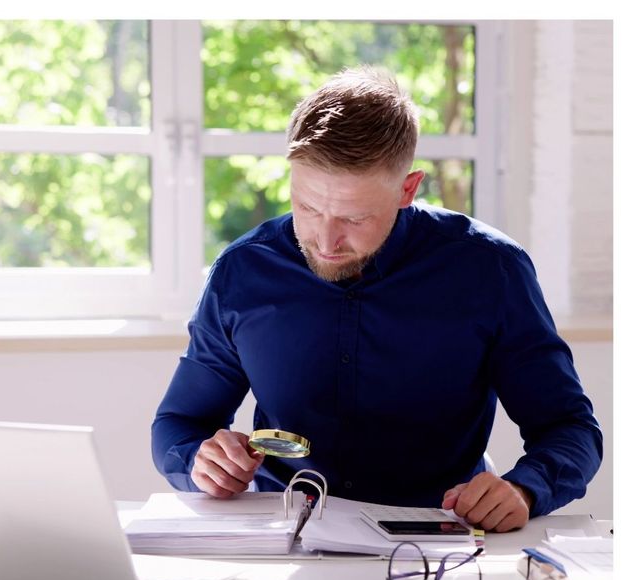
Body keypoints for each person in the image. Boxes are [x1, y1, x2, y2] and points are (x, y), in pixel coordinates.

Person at [151, 66, 602, 532]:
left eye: (354, 217)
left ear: (408, 189)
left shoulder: (490, 272)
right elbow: (179, 422)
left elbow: (570, 428)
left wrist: (525, 488)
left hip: (438, 543)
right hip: (285, 539)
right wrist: (198, 462)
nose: (325, 239)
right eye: (307, 207)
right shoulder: (243, 272)